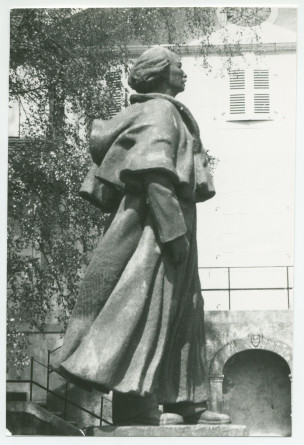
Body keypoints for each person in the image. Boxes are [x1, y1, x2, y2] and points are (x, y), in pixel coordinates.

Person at [55, 47, 230, 426]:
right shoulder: (159, 111)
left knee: (182, 312)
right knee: (147, 313)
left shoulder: (162, 110)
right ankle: (138, 406)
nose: (185, 73)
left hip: (168, 224)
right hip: (155, 231)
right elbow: (153, 172)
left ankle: (184, 402)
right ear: (161, 73)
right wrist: (173, 233)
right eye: (179, 67)